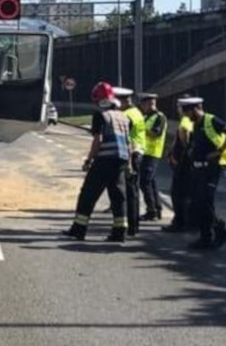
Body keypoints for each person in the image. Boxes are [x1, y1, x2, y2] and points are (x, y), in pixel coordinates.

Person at [64, 81, 133, 242]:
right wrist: (129, 164)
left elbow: (98, 140)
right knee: (118, 196)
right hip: (121, 160)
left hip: (104, 160)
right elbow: (129, 142)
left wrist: (89, 159)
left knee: (88, 194)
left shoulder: (100, 116)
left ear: (99, 100)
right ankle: (120, 231)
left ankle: (79, 229)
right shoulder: (125, 118)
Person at [179, 97, 226, 250]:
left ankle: (217, 232)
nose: (186, 116)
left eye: (187, 112)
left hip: (210, 169)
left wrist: (219, 151)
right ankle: (206, 237)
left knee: (205, 202)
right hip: (198, 169)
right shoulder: (196, 124)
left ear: (195, 109)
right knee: (199, 204)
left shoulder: (210, 120)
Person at [162, 94, 195, 233]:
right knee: (186, 193)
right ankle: (186, 221)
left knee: (178, 194)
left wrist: (181, 154)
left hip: (183, 164)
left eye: (178, 106)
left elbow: (184, 133)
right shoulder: (193, 120)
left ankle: (180, 222)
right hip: (186, 163)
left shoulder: (186, 120)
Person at [114, 87, 145, 236]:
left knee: (129, 192)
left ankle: (131, 226)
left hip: (131, 154)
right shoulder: (136, 112)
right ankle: (134, 225)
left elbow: (125, 137)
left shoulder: (126, 115)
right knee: (133, 191)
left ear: (123, 101)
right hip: (138, 152)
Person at [137, 93, 167, 221]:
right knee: (151, 182)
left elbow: (156, 133)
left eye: (143, 105)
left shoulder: (159, 117)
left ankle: (151, 211)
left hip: (152, 153)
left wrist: (140, 129)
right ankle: (157, 208)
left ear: (149, 104)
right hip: (145, 152)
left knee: (145, 182)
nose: (142, 107)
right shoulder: (147, 117)